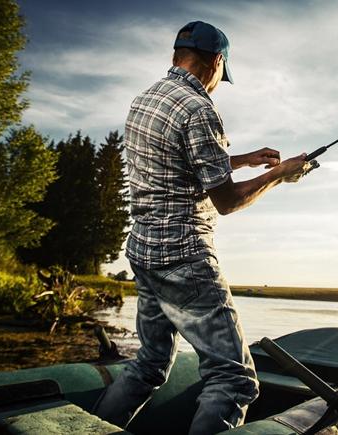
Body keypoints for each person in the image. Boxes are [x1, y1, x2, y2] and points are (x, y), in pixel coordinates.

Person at [94, 21, 311, 434]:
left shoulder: (146, 99)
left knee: (150, 363)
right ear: (216, 61)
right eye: (221, 75)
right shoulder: (199, 109)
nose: (217, 84)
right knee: (233, 378)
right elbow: (226, 202)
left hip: (143, 250)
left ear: (178, 56)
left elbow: (176, 163)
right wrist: (280, 174)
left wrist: (243, 159)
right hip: (184, 257)